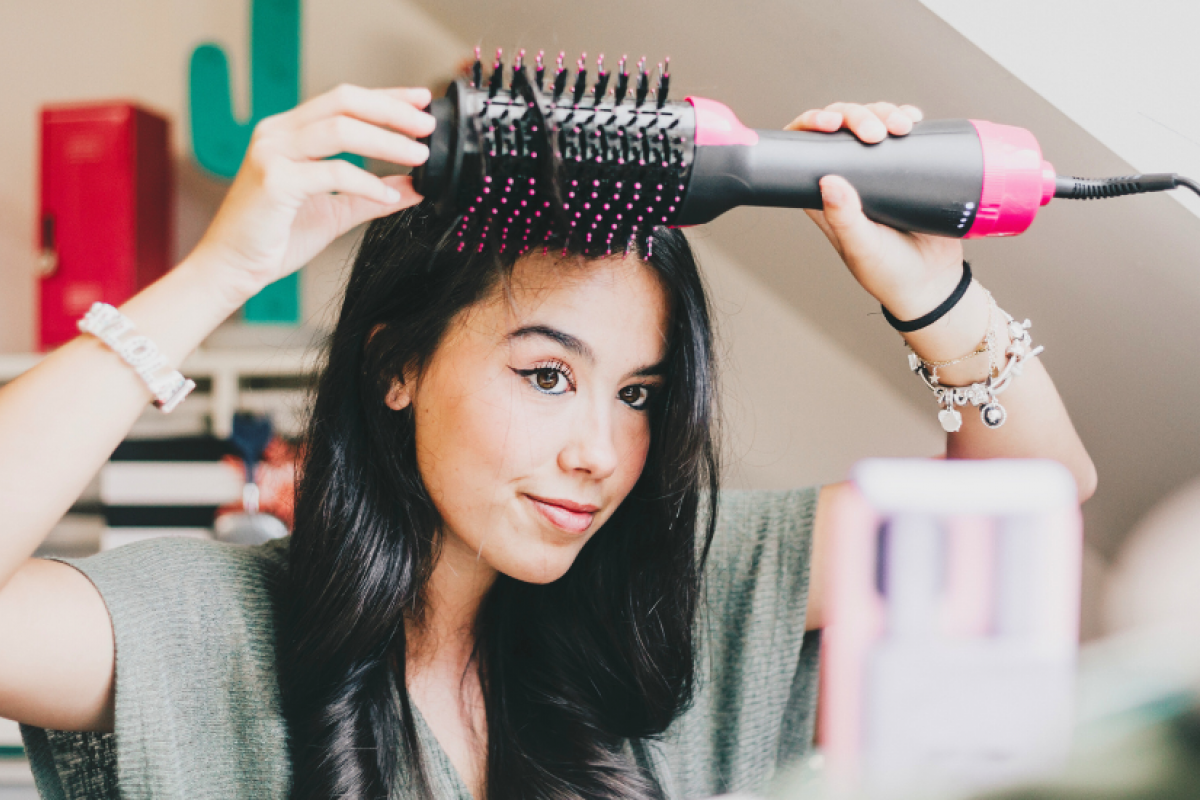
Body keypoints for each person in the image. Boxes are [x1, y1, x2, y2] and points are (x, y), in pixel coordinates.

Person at [0, 83, 1095, 800]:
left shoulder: (684, 595)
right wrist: (219, 274)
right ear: (397, 364)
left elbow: (1032, 507)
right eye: (546, 375)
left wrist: (932, 294)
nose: (600, 452)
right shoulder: (202, 631)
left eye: (639, 393)